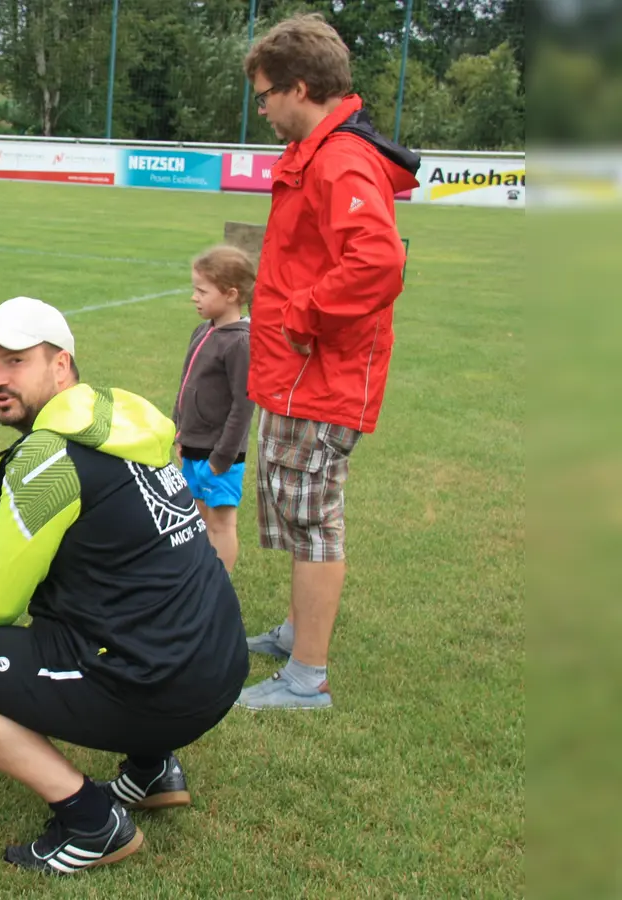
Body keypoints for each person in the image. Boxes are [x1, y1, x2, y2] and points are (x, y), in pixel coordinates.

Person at [0, 297, 247, 873]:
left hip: (163, 687)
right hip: (219, 663)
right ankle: (150, 770)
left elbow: (2, 597)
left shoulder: (48, 459)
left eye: (15, 361)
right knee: (113, 603)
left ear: (61, 365)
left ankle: (93, 822)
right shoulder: (124, 419)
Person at [237, 13, 421, 710]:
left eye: (265, 95)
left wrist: (302, 314)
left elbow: (376, 262)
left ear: (300, 87)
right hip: (298, 374)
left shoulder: (341, 159)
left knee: (313, 518)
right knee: (294, 504)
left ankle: (306, 679)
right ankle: (296, 632)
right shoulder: (318, 154)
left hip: (323, 375)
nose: (261, 110)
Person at [172, 245, 256, 573]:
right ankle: (198, 580)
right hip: (193, 446)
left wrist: (223, 456)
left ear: (231, 294)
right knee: (197, 517)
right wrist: (179, 430)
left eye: (202, 290)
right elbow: (186, 384)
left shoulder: (240, 343)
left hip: (220, 455)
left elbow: (243, 405)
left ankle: (217, 589)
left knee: (221, 523)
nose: (195, 297)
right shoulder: (204, 330)